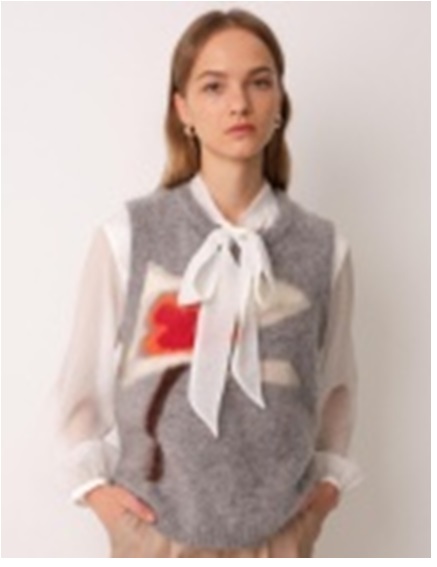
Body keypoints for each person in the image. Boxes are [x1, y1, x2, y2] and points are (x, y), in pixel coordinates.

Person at [53, 8, 364, 558]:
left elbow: (336, 391)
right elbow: (80, 393)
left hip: (279, 541)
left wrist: (316, 509)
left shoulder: (324, 249)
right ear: (183, 109)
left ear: (279, 103)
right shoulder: (128, 237)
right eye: (214, 87)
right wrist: (105, 504)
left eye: (259, 83)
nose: (239, 104)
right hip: (155, 539)